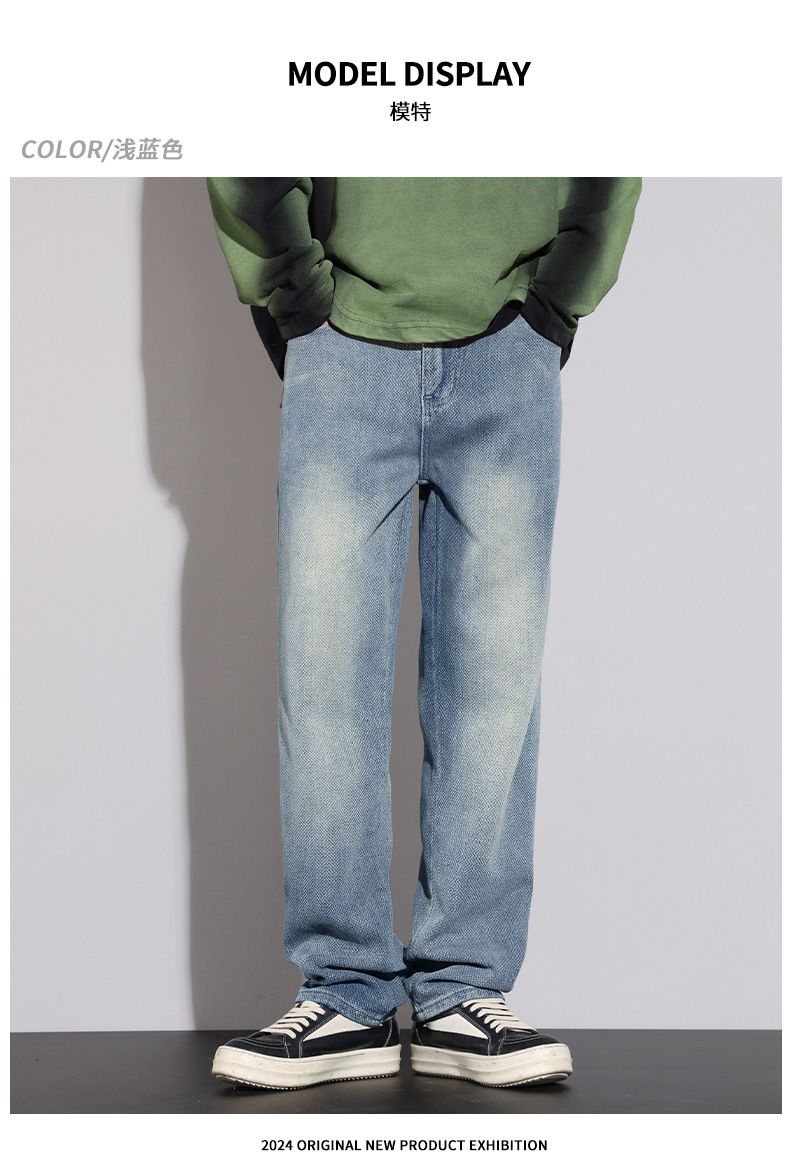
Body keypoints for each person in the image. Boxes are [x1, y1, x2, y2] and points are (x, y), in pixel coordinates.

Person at [205, 178, 641, 1090]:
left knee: (495, 683)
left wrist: (559, 295)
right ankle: (347, 991)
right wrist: (295, 291)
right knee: (323, 681)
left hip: (510, 336)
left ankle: (463, 987)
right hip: (341, 338)